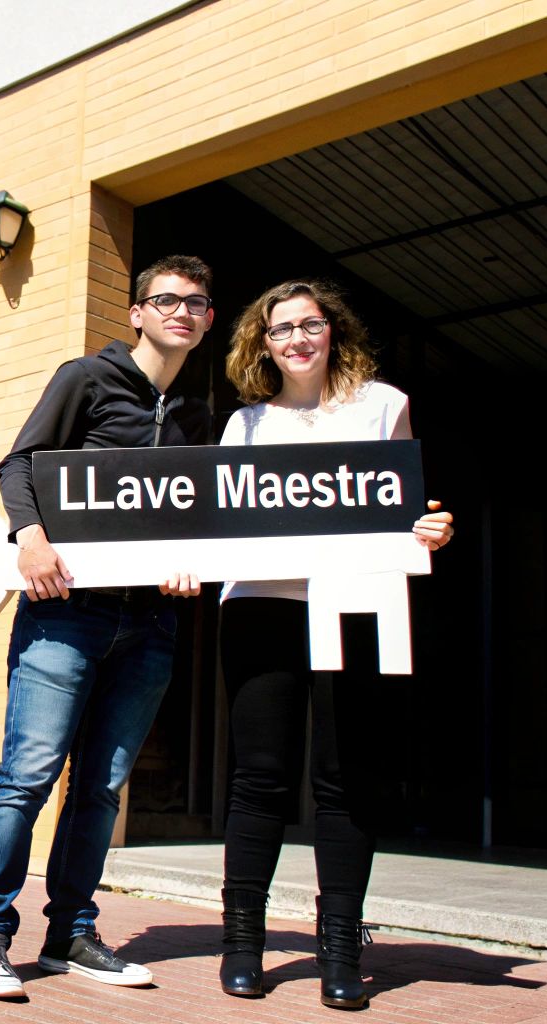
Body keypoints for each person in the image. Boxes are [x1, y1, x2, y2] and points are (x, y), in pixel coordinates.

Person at [0, 255, 213, 999]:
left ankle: (71, 932)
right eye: (166, 299)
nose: (182, 312)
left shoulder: (199, 415)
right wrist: (29, 538)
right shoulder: (86, 378)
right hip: (66, 614)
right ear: (137, 313)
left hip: (149, 622)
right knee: (27, 776)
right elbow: (20, 464)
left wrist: (187, 563)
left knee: (101, 788)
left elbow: (193, 516)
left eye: (197, 303)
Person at [213, 279, 454, 1010]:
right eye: (280, 329)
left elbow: (404, 508)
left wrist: (427, 529)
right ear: (264, 343)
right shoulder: (244, 426)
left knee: (348, 780)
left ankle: (341, 948)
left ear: (332, 330)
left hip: (356, 604)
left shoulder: (384, 404)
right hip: (261, 606)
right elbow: (218, 520)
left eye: (309, 324)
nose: (296, 338)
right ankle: (243, 943)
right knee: (259, 779)